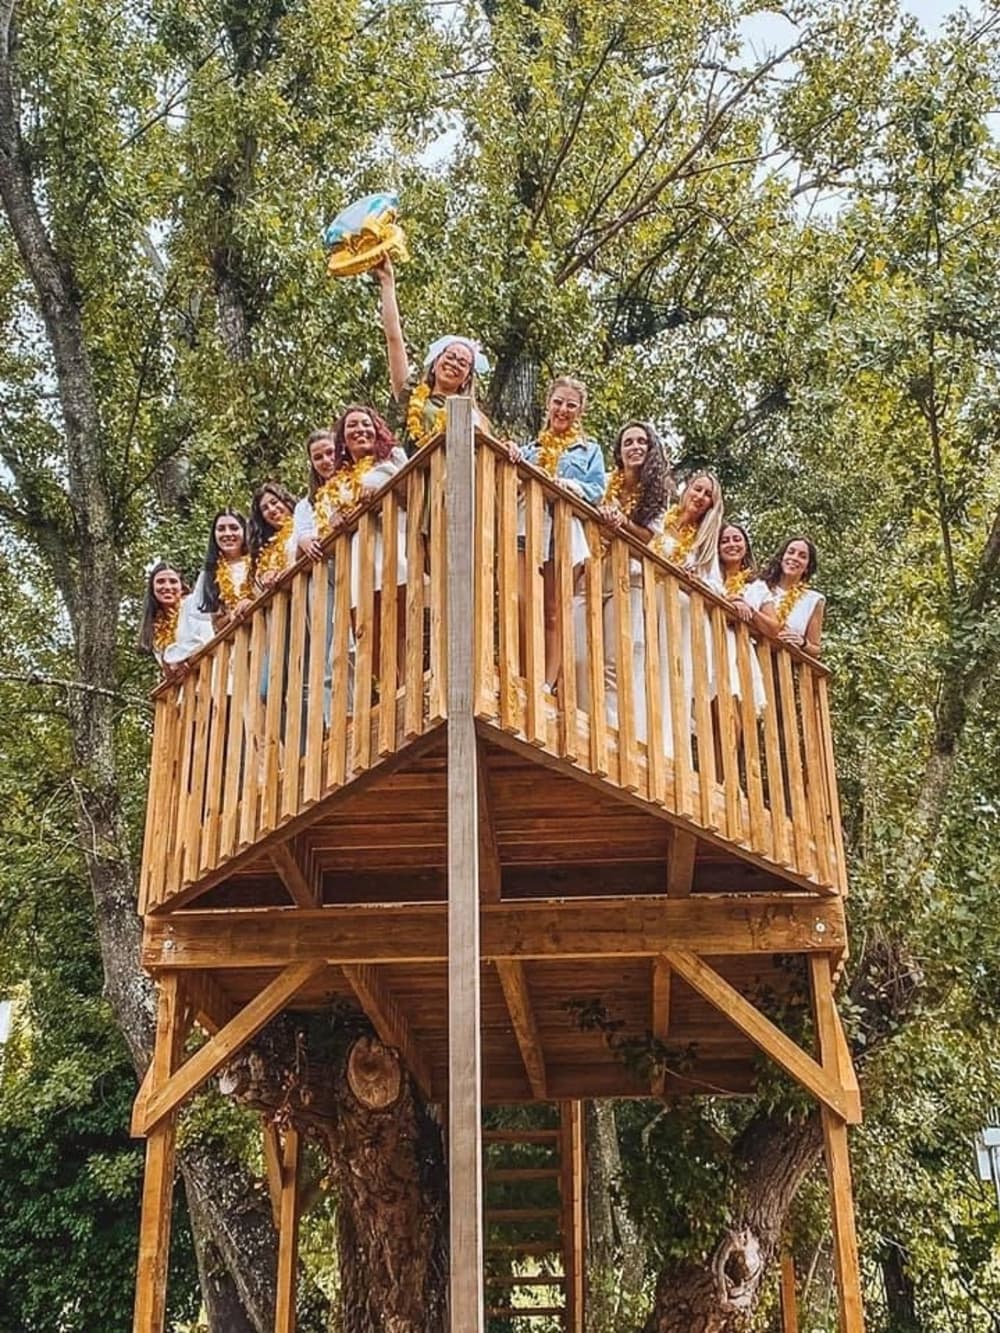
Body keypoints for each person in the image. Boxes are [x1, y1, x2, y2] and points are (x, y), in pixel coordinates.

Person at [509, 376, 606, 692]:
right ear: (548, 405)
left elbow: (596, 490)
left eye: (571, 405)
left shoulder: (589, 450)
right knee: (523, 601)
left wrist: (569, 486)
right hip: (528, 526)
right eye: (558, 402)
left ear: (580, 412)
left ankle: (547, 682)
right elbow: (510, 480)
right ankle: (523, 671)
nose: (563, 409)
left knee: (553, 608)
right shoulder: (529, 449)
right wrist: (511, 453)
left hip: (564, 529)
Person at [579, 421, 672, 737]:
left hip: (628, 579)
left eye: (641, 442)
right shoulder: (605, 482)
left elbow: (647, 537)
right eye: (628, 442)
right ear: (619, 452)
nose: (635, 447)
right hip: (591, 570)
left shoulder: (657, 493)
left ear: (650, 449)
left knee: (614, 658)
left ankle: (613, 731)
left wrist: (622, 524)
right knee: (580, 651)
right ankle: (583, 719)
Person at [376, 256, 491, 450]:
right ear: (436, 363)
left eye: (463, 363)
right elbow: (394, 338)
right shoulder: (412, 396)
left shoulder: (475, 417)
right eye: (451, 356)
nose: (455, 363)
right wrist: (387, 281)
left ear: (467, 379)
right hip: (418, 478)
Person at [136, 561, 207, 674]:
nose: (167, 587)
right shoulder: (154, 626)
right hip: (185, 685)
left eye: (173, 581)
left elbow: (205, 641)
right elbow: (166, 667)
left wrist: (175, 657)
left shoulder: (193, 606)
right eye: (160, 582)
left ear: (182, 588)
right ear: (152, 589)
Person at [758, 536, 825, 656]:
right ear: (781, 557)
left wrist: (803, 643)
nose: (794, 558)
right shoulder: (759, 587)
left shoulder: (813, 600)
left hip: (786, 666)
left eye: (802, 556)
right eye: (791, 552)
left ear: (807, 567)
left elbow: (816, 649)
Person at [248, 481, 298, 589]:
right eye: (265, 508)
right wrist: (265, 577)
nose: (272, 509)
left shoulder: (304, 525)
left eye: (274, 502)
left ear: (286, 502)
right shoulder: (267, 550)